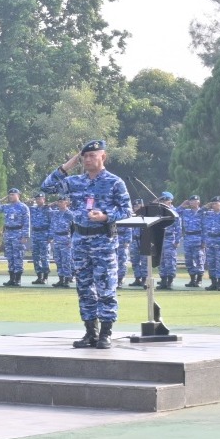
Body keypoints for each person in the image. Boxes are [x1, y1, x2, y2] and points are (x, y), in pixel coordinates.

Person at [43, 140, 132, 347]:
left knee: (105, 287)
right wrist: (69, 164)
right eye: (85, 156)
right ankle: (90, 332)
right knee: (84, 287)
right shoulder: (75, 182)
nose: (88, 160)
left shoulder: (114, 182)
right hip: (80, 241)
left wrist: (106, 215)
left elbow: (126, 210)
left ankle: (106, 333)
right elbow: (46, 187)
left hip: (103, 241)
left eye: (93, 155)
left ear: (104, 157)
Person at [0, 188, 30, 287]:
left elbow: (26, 223)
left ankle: (18, 279)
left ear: (18, 195)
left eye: (13, 194)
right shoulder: (6, 206)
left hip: (18, 233)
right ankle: (11, 279)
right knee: (10, 257)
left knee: (18, 256)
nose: (11, 196)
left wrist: (25, 236)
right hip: (8, 233)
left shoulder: (23, 207)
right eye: (9, 195)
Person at [178, 195, 205, 288]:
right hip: (188, 238)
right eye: (191, 201)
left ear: (198, 202)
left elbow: (205, 228)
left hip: (198, 238)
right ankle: (192, 279)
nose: (192, 202)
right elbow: (174, 213)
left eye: (194, 201)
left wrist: (204, 241)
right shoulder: (186, 212)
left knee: (199, 259)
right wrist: (182, 205)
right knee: (188, 260)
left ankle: (199, 280)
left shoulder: (202, 212)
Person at [156, 191, 180, 290]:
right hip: (160, 239)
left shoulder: (174, 212)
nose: (163, 202)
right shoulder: (159, 211)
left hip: (170, 239)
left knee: (170, 261)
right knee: (161, 261)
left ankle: (169, 281)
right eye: (162, 200)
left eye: (165, 200)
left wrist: (177, 241)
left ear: (170, 201)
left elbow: (179, 228)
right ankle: (163, 281)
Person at [27, 193, 53, 285]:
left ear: (44, 199)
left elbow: (52, 224)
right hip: (35, 234)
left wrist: (50, 236)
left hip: (44, 234)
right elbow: (24, 208)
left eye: (40, 199)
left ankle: (45, 277)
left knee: (44, 256)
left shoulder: (48, 210)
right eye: (37, 199)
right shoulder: (33, 209)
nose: (38, 201)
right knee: (35, 256)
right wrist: (28, 202)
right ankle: (39, 276)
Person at [49, 197, 74, 287]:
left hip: (66, 239)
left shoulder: (70, 214)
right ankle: (61, 279)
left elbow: (74, 229)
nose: (59, 203)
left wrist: (71, 241)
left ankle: (67, 279)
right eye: (58, 202)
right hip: (57, 238)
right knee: (58, 260)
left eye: (61, 202)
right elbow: (52, 224)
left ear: (66, 203)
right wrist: (51, 237)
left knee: (66, 260)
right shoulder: (55, 213)